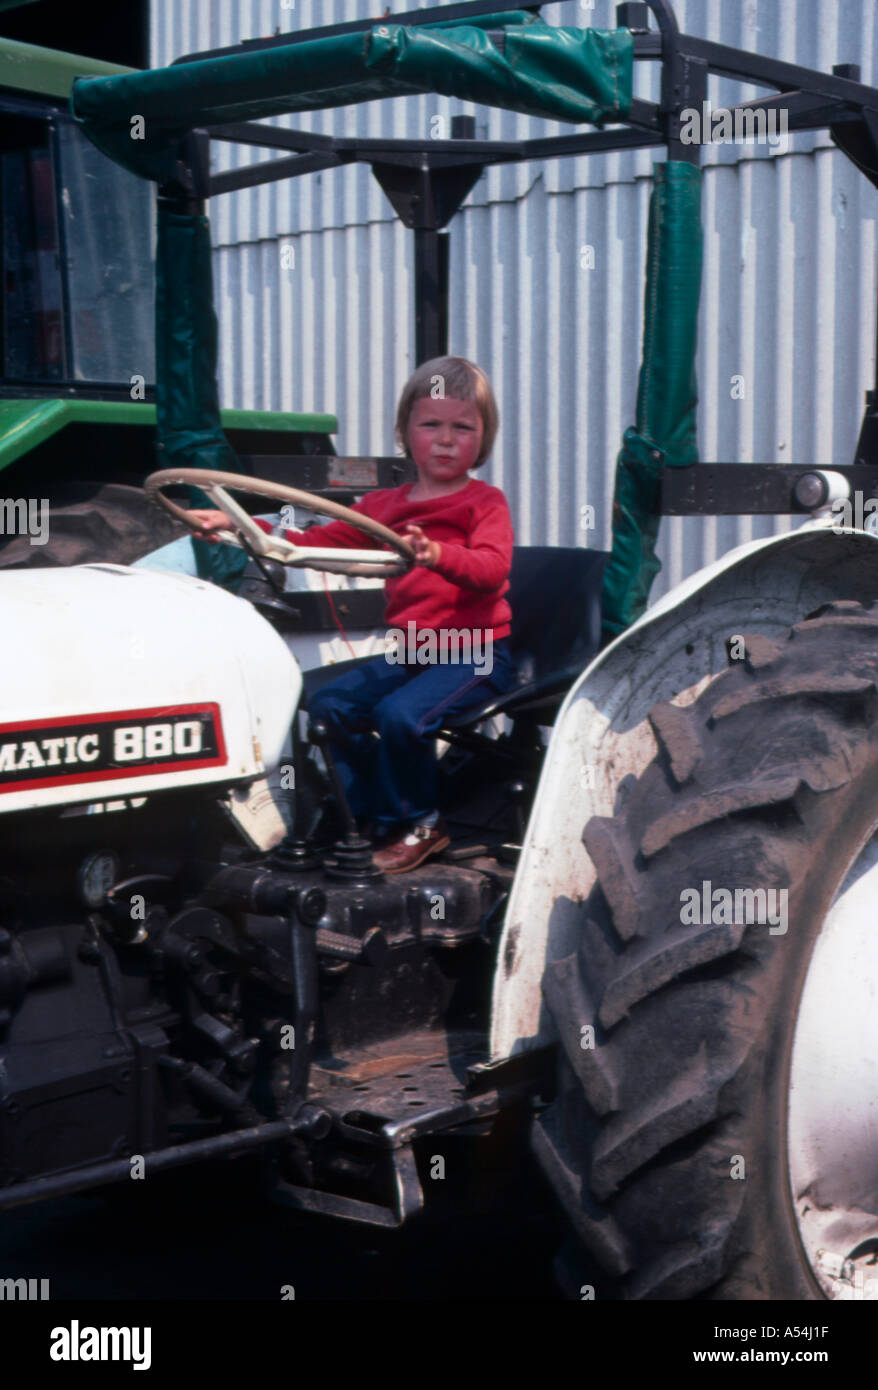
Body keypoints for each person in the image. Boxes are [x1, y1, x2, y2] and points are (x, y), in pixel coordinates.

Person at [185, 355, 516, 873]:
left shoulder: (484, 503)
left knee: (399, 715)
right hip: (413, 654)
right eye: (431, 425)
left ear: (485, 436)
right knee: (329, 705)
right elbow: (307, 542)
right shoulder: (384, 506)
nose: (446, 439)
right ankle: (364, 814)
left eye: (463, 427)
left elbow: (492, 569)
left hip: (476, 655)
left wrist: (437, 555)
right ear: (406, 431)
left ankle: (422, 822)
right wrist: (233, 524)